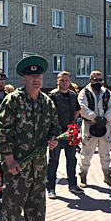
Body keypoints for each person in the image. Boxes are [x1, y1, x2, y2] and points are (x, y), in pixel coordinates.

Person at [0, 55, 61, 221]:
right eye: (31, 76)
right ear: (24, 78)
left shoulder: (47, 102)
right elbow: (2, 131)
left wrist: (54, 138)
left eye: (39, 75)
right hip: (17, 166)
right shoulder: (13, 100)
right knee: (11, 210)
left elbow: (54, 127)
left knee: (37, 208)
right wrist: (9, 159)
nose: (36, 79)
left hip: (39, 166)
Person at [46, 71, 83, 199]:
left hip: (70, 132)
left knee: (72, 159)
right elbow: (47, 115)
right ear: (57, 81)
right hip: (56, 133)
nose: (64, 83)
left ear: (70, 81)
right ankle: (50, 188)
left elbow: (77, 111)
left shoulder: (73, 95)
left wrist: (72, 124)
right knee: (53, 160)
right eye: (62, 80)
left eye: (66, 80)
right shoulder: (52, 95)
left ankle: (73, 184)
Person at [78, 70, 111, 187]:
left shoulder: (107, 93)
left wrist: (105, 119)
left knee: (105, 152)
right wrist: (95, 117)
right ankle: (83, 176)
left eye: (100, 80)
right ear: (90, 80)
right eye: (95, 80)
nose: (98, 82)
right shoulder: (84, 92)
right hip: (89, 126)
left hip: (104, 126)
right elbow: (82, 107)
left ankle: (107, 175)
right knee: (86, 152)